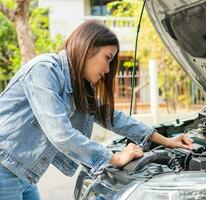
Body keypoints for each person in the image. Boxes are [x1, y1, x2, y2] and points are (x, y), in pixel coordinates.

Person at [0, 20, 193, 200]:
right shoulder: (44, 70)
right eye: (107, 58)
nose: (108, 70)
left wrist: (167, 141)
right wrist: (115, 158)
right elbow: (60, 133)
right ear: (88, 48)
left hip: (21, 173)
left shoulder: (78, 87)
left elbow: (112, 117)